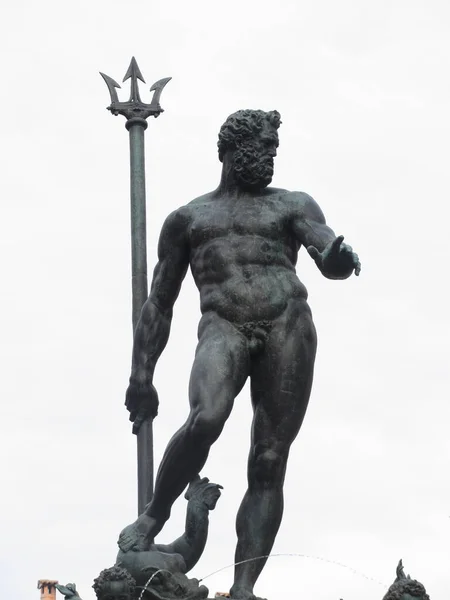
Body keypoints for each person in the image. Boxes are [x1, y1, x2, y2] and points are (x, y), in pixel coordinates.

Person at [125, 109, 361, 600]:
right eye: (266, 147)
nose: (273, 156)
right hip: (222, 324)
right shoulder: (189, 219)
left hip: (287, 324)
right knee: (206, 416)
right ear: (235, 151)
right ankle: (154, 515)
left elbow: (325, 251)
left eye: (277, 148)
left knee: (269, 458)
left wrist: (337, 259)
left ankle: (243, 588)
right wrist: (141, 374)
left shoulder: (292, 204)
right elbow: (159, 302)